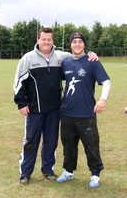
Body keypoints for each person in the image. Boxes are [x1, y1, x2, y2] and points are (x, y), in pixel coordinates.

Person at [13, 27, 98, 185]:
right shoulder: (28, 58)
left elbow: (78, 55)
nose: (46, 42)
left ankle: (47, 169)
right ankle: (25, 172)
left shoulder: (61, 57)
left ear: (53, 41)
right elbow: (18, 83)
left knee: (51, 141)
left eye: (49, 39)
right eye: (43, 39)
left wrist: (92, 53)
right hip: (34, 109)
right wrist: (21, 103)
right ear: (38, 40)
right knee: (31, 141)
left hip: (54, 109)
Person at [57, 32, 111, 188]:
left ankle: (95, 174)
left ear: (84, 45)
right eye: (74, 42)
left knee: (91, 145)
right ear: (70, 45)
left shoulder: (92, 61)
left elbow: (106, 82)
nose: (77, 44)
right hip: (67, 113)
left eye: (80, 41)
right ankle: (68, 171)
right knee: (68, 144)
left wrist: (102, 99)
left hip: (86, 113)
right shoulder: (65, 63)